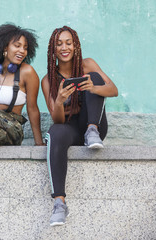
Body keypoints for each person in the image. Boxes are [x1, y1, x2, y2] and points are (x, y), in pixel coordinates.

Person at [41, 26, 118, 226]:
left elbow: (113, 90)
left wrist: (94, 87)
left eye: (68, 42)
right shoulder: (48, 79)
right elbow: (58, 120)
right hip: (71, 128)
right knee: (54, 131)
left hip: (94, 125)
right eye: (59, 44)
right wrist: (59, 101)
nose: (64, 47)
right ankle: (59, 204)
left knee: (96, 78)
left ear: (75, 46)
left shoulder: (88, 64)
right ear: (53, 49)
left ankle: (92, 131)